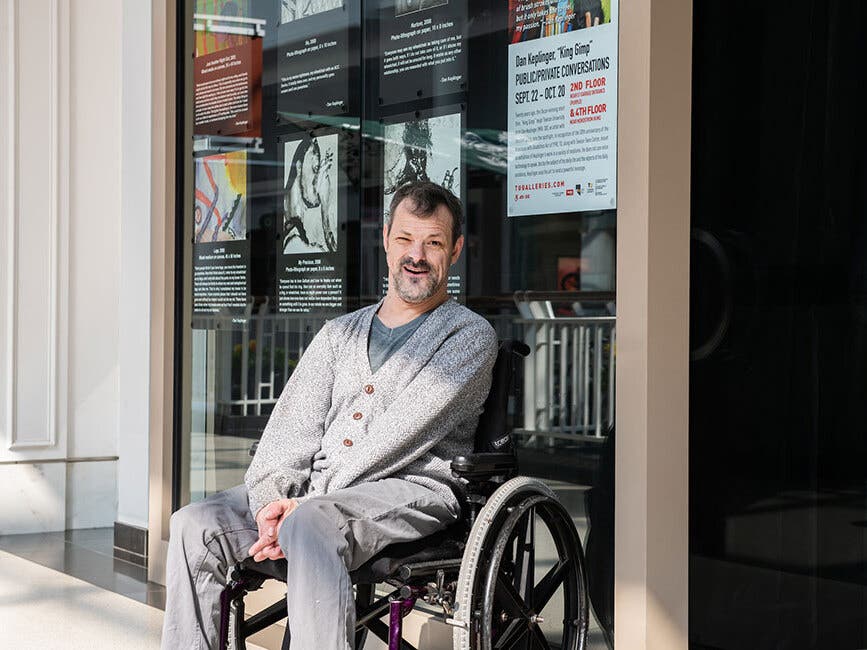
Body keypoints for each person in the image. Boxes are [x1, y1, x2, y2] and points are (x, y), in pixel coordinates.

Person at [161, 181, 498, 650]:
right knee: (194, 524)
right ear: (385, 239)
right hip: (316, 496)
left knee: (312, 523)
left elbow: (402, 434)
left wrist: (307, 503)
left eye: (433, 242)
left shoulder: (468, 336)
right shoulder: (339, 333)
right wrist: (270, 502)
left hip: (418, 486)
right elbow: (289, 427)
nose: (416, 255)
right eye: (405, 239)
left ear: (455, 249)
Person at [283, 135, 337, 254]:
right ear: (298, 167)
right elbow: (337, 264)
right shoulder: (294, 240)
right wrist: (325, 211)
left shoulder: (293, 228)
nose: (320, 181)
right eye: (316, 169)